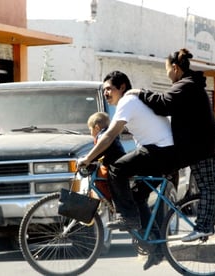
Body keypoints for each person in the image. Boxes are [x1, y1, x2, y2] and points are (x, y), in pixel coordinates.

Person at [78, 70, 176, 270]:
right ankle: (156, 250)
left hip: (159, 152)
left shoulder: (127, 102)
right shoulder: (133, 103)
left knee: (117, 169)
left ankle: (128, 217)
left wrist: (87, 159)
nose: (106, 93)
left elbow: (109, 136)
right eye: (104, 90)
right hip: (164, 153)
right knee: (137, 196)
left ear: (122, 87)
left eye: (109, 89)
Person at [126, 48, 215, 242]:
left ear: (176, 68)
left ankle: (204, 227)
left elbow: (163, 104)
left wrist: (141, 93)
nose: (167, 73)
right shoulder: (189, 85)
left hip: (200, 147)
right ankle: (203, 227)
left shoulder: (186, 86)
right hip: (200, 146)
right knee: (207, 188)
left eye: (167, 69)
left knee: (208, 188)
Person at [87, 111, 126, 201]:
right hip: (117, 164)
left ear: (96, 127)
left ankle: (109, 201)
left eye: (90, 130)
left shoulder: (102, 136)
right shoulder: (110, 133)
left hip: (113, 167)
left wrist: (88, 160)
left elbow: (99, 151)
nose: (91, 133)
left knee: (100, 180)